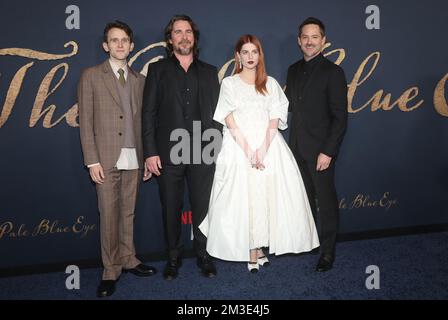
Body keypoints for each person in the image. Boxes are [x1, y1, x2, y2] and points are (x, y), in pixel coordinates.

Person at [199, 35, 319, 273]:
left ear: (260, 55)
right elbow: (229, 119)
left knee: (265, 197)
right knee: (244, 198)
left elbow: (275, 118)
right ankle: (250, 249)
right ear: (238, 56)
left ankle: (261, 246)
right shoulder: (229, 84)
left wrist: (262, 150)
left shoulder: (271, 83)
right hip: (238, 147)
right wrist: (248, 151)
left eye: (254, 52)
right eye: (245, 52)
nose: (250, 57)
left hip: (269, 147)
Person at [78, 21, 157, 298]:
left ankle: (128, 258)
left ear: (132, 46)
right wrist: (92, 160)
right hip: (105, 157)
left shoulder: (140, 79)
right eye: (114, 40)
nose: (120, 45)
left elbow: (142, 122)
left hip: (134, 156)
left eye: (124, 40)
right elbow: (85, 122)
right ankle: (110, 269)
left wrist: (147, 157)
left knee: (128, 212)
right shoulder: (91, 76)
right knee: (109, 214)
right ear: (105, 45)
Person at [142, 15, 220, 280]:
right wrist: (150, 152)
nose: (184, 36)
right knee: (171, 207)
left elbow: (217, 115)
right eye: (178, 32)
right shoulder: (157, 70)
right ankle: (173, 259)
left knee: (203, 208)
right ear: (170, 38)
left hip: (203, 149)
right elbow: (148, 113)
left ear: (194, 38)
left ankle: (204, 255)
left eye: (188, 32)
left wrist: (216, 149)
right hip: (168, 151)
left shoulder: (210, 72)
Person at [285, 17, 348, 272]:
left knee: (326, 201)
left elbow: (340, 118)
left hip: (321, 152)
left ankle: (328, 252)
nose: (309, 42)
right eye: (305, 37)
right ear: (299, 41)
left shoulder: (333, 72)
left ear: (323, 41)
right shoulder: (292, 70)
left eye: (315, 37)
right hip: (297, 149)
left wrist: (328, 151)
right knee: (304, 201)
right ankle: (309, 243)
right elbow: (285, 105)